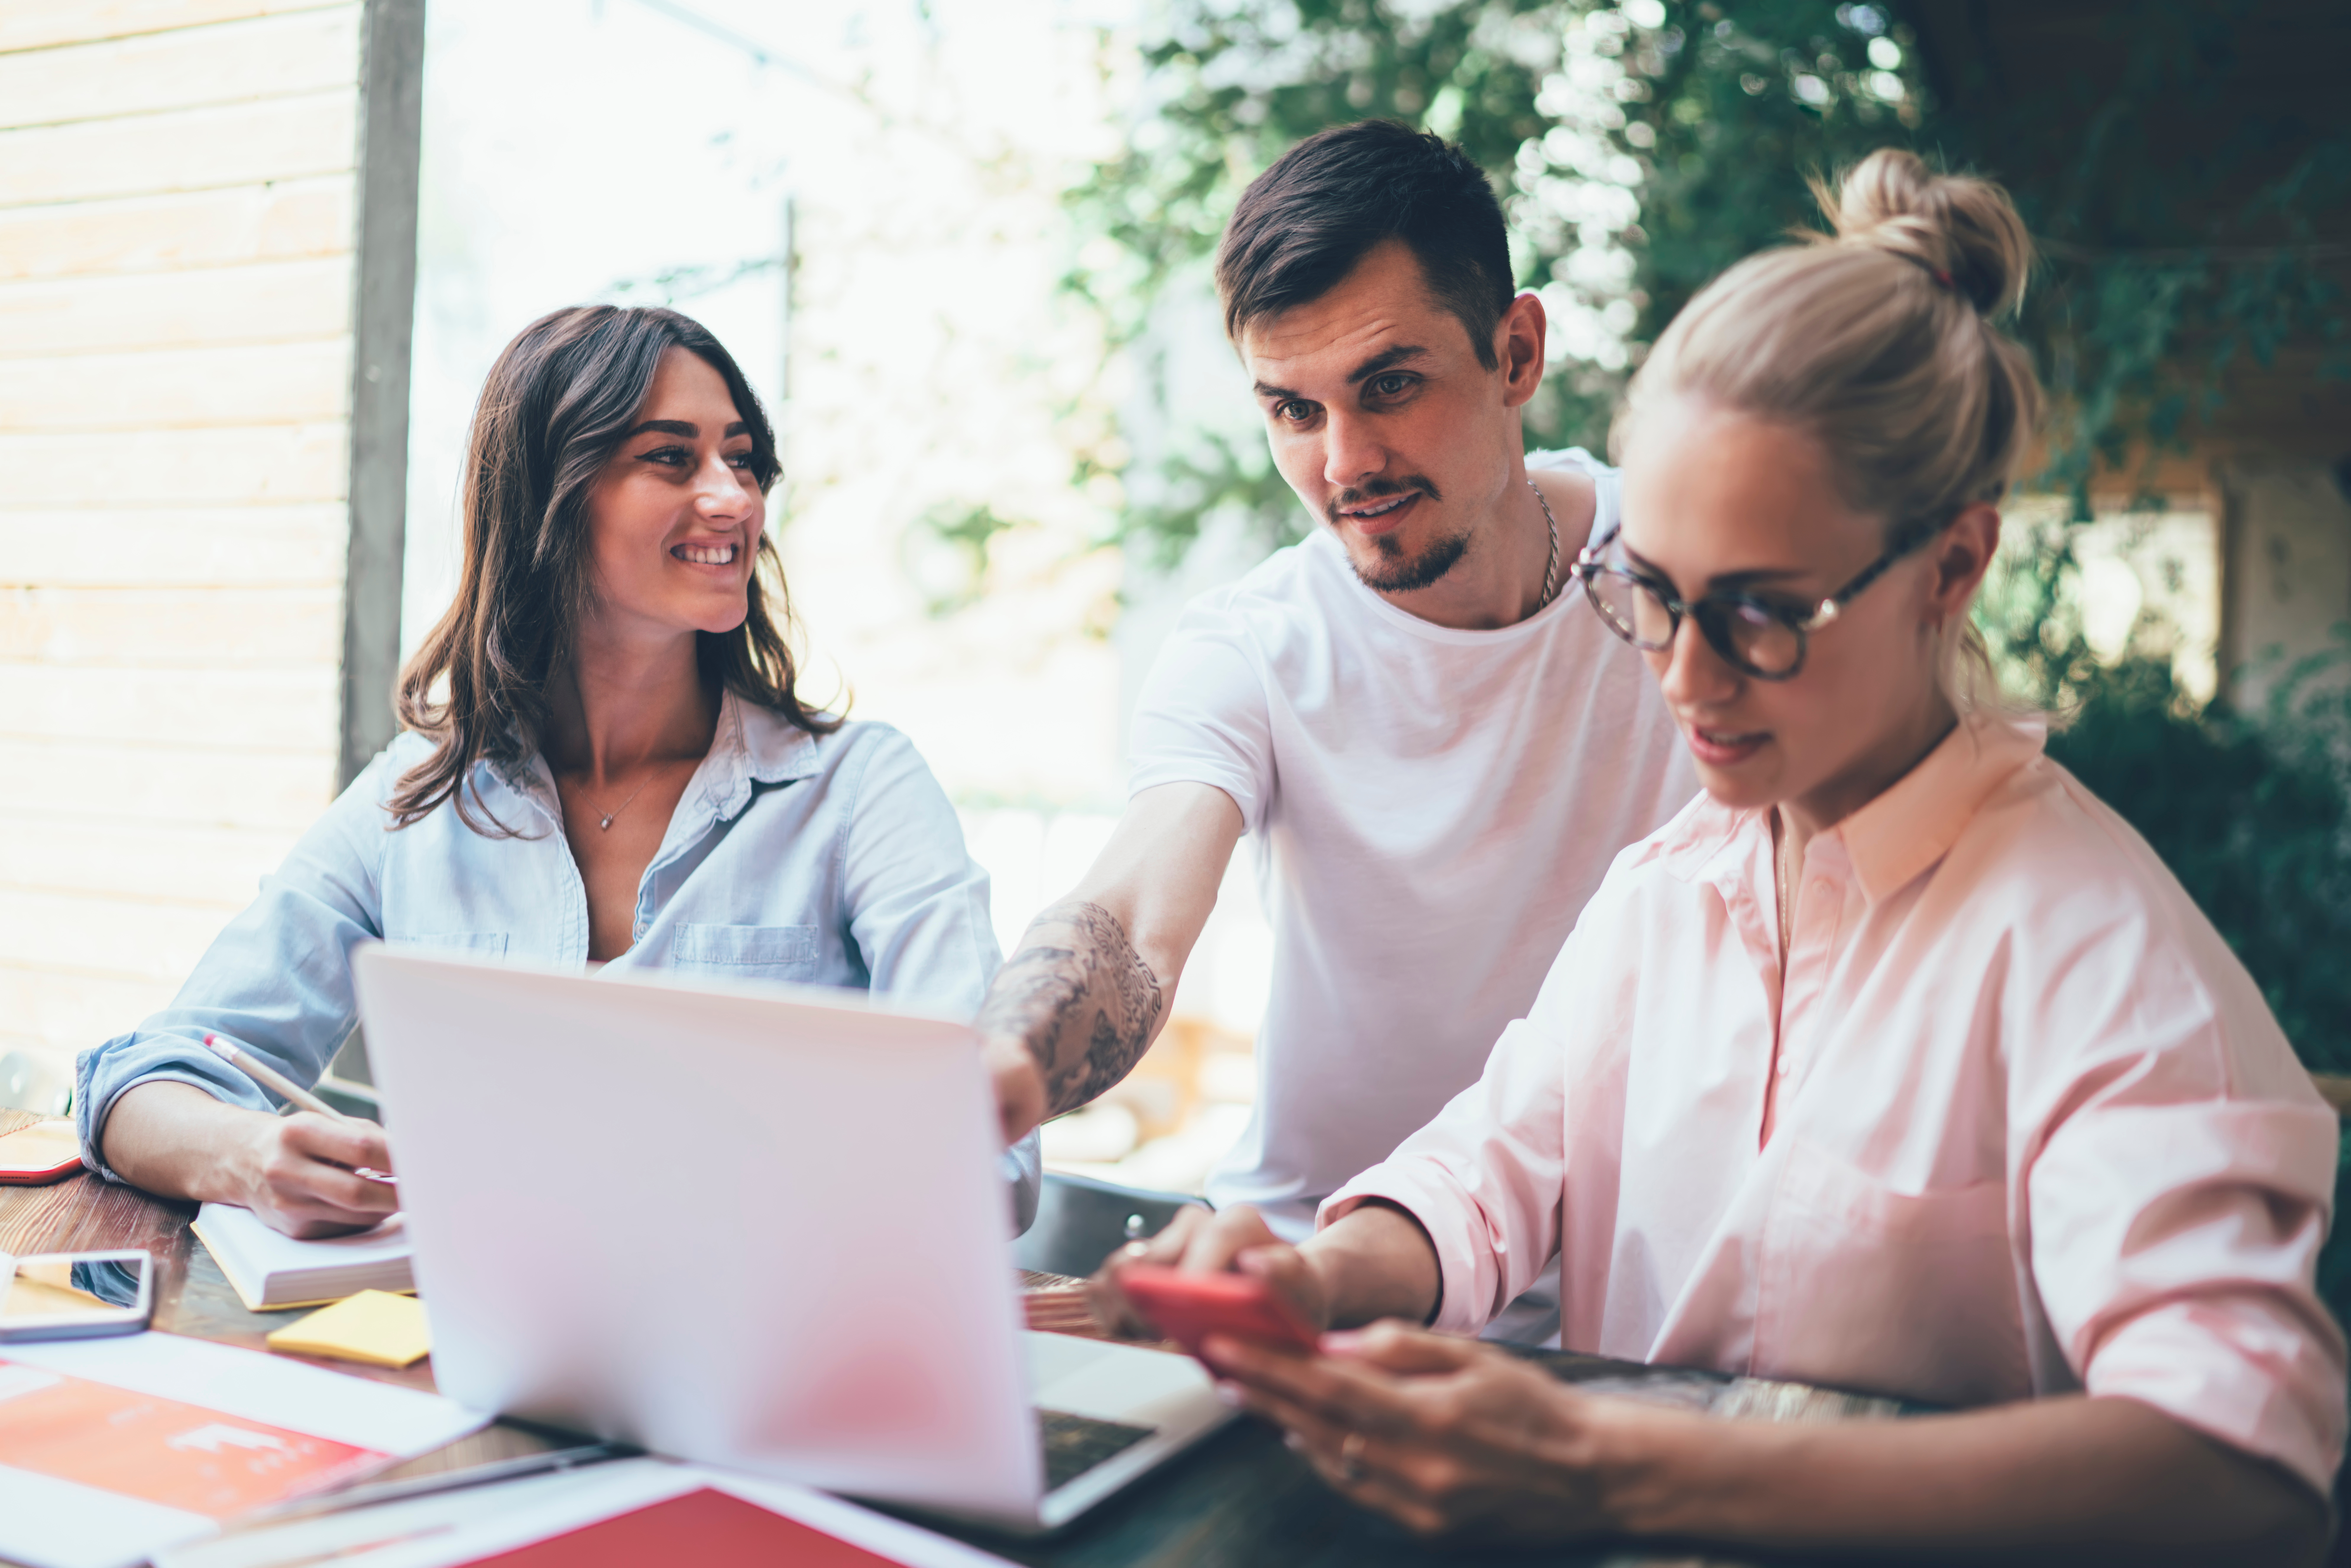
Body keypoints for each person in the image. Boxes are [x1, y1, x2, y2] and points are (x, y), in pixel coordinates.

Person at [1094, 151, 2345, 1560]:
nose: (1685, 679)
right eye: (1653, 596)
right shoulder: (1671, 886)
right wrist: (1313, 1279)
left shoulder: (2092, 952)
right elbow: (1487, 1176)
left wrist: (1607, 1471)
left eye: (1759, 613)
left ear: (1950, 568)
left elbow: (2241, 1466)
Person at [77, 305, 1038, 1237]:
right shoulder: (418, 801)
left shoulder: (861, 791)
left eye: (743, 460)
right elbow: (135, 1083)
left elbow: (993, 1164)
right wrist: (252, 1157)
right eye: (672, 458)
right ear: (553, 495)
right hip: (465, 1333)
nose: (736, 499)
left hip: (778, 1332)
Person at [976, 122, 1695, 1286]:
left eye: (1389, 387)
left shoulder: (1690, 574)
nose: (1344, 463)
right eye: (1292, 412)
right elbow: (1136, 911)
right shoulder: (1251, 645)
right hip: (1298, 1284)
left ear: (1515, 355)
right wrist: (1002, 1067)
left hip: (1629, 1302)